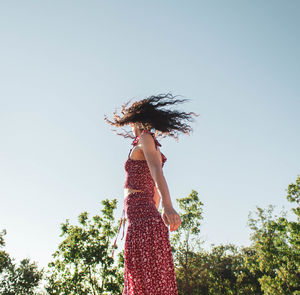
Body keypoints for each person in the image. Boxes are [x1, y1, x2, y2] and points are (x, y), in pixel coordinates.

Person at [104, 93, 198, 295]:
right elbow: (153, 184)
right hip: (141, 218)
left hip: (142, 217)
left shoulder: (145, 138)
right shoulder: (147, 141)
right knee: (143, 279)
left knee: (144, 280)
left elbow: (157, 171)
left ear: (136, 121)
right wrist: (157, 210)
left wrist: (167, 205)